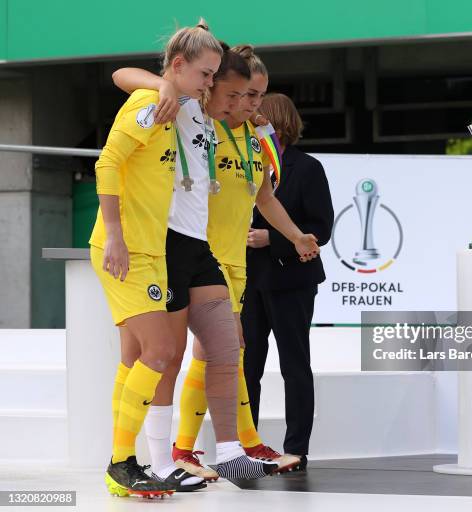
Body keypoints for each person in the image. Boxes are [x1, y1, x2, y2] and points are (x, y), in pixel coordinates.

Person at [110, 28, 284, 486]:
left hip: (198, 245)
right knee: (156, 356)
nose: (237, 102)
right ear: (194, 75)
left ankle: (227, 450)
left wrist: (253, 114)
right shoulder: (179, 102)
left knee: (227, 343)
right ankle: (152, 460)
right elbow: (121, 75)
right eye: (230, 91)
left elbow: (260, 189)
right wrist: (162, 83)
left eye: (248, 96)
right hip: (159, 243)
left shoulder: (220, 120)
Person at [89, 18, 224, 498]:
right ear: (179, 66)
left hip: (152, 248)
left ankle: (125, 464)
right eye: (205, 74)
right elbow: (107, 162)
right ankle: (123, 462)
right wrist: (116, 236)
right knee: (162, 352)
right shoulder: (151, 104)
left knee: (133, 357)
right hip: (127, 249)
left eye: (215, 76)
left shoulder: (179, 105)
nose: (210, 84)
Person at [176, 45, 317, 474]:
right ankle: (196, 449)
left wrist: (295, 237)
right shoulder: (202, 125)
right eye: (244, 95)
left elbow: (264, 196)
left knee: (221, 354)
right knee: (216, 352)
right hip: (201, 256)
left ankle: (222, 446)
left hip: (235, 262)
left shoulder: (258, 136)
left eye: (257, 97)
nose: (252, 105)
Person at [242, 93, 334, 472]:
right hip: (247, 279)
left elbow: (321, 229)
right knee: (247, 365)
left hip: (291, 279)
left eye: (259, 118)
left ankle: (295, 448)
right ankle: (245, 446)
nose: (251, 122)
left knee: (294, 364)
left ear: (278, 125)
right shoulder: (243, 165)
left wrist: (273, 238)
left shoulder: (307, 168)